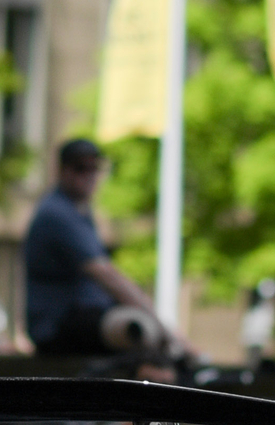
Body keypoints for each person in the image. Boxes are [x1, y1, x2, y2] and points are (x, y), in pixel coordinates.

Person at [22, 137, 185, 359]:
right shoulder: (56, 214)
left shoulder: (80, 211)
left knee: (147, 340)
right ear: (62, 171)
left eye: (94, 168)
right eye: (80, 168)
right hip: (59, 326)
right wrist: (167, 331)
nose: (89, 176)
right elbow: (107, 276)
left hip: (86, 318)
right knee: (138, 329)